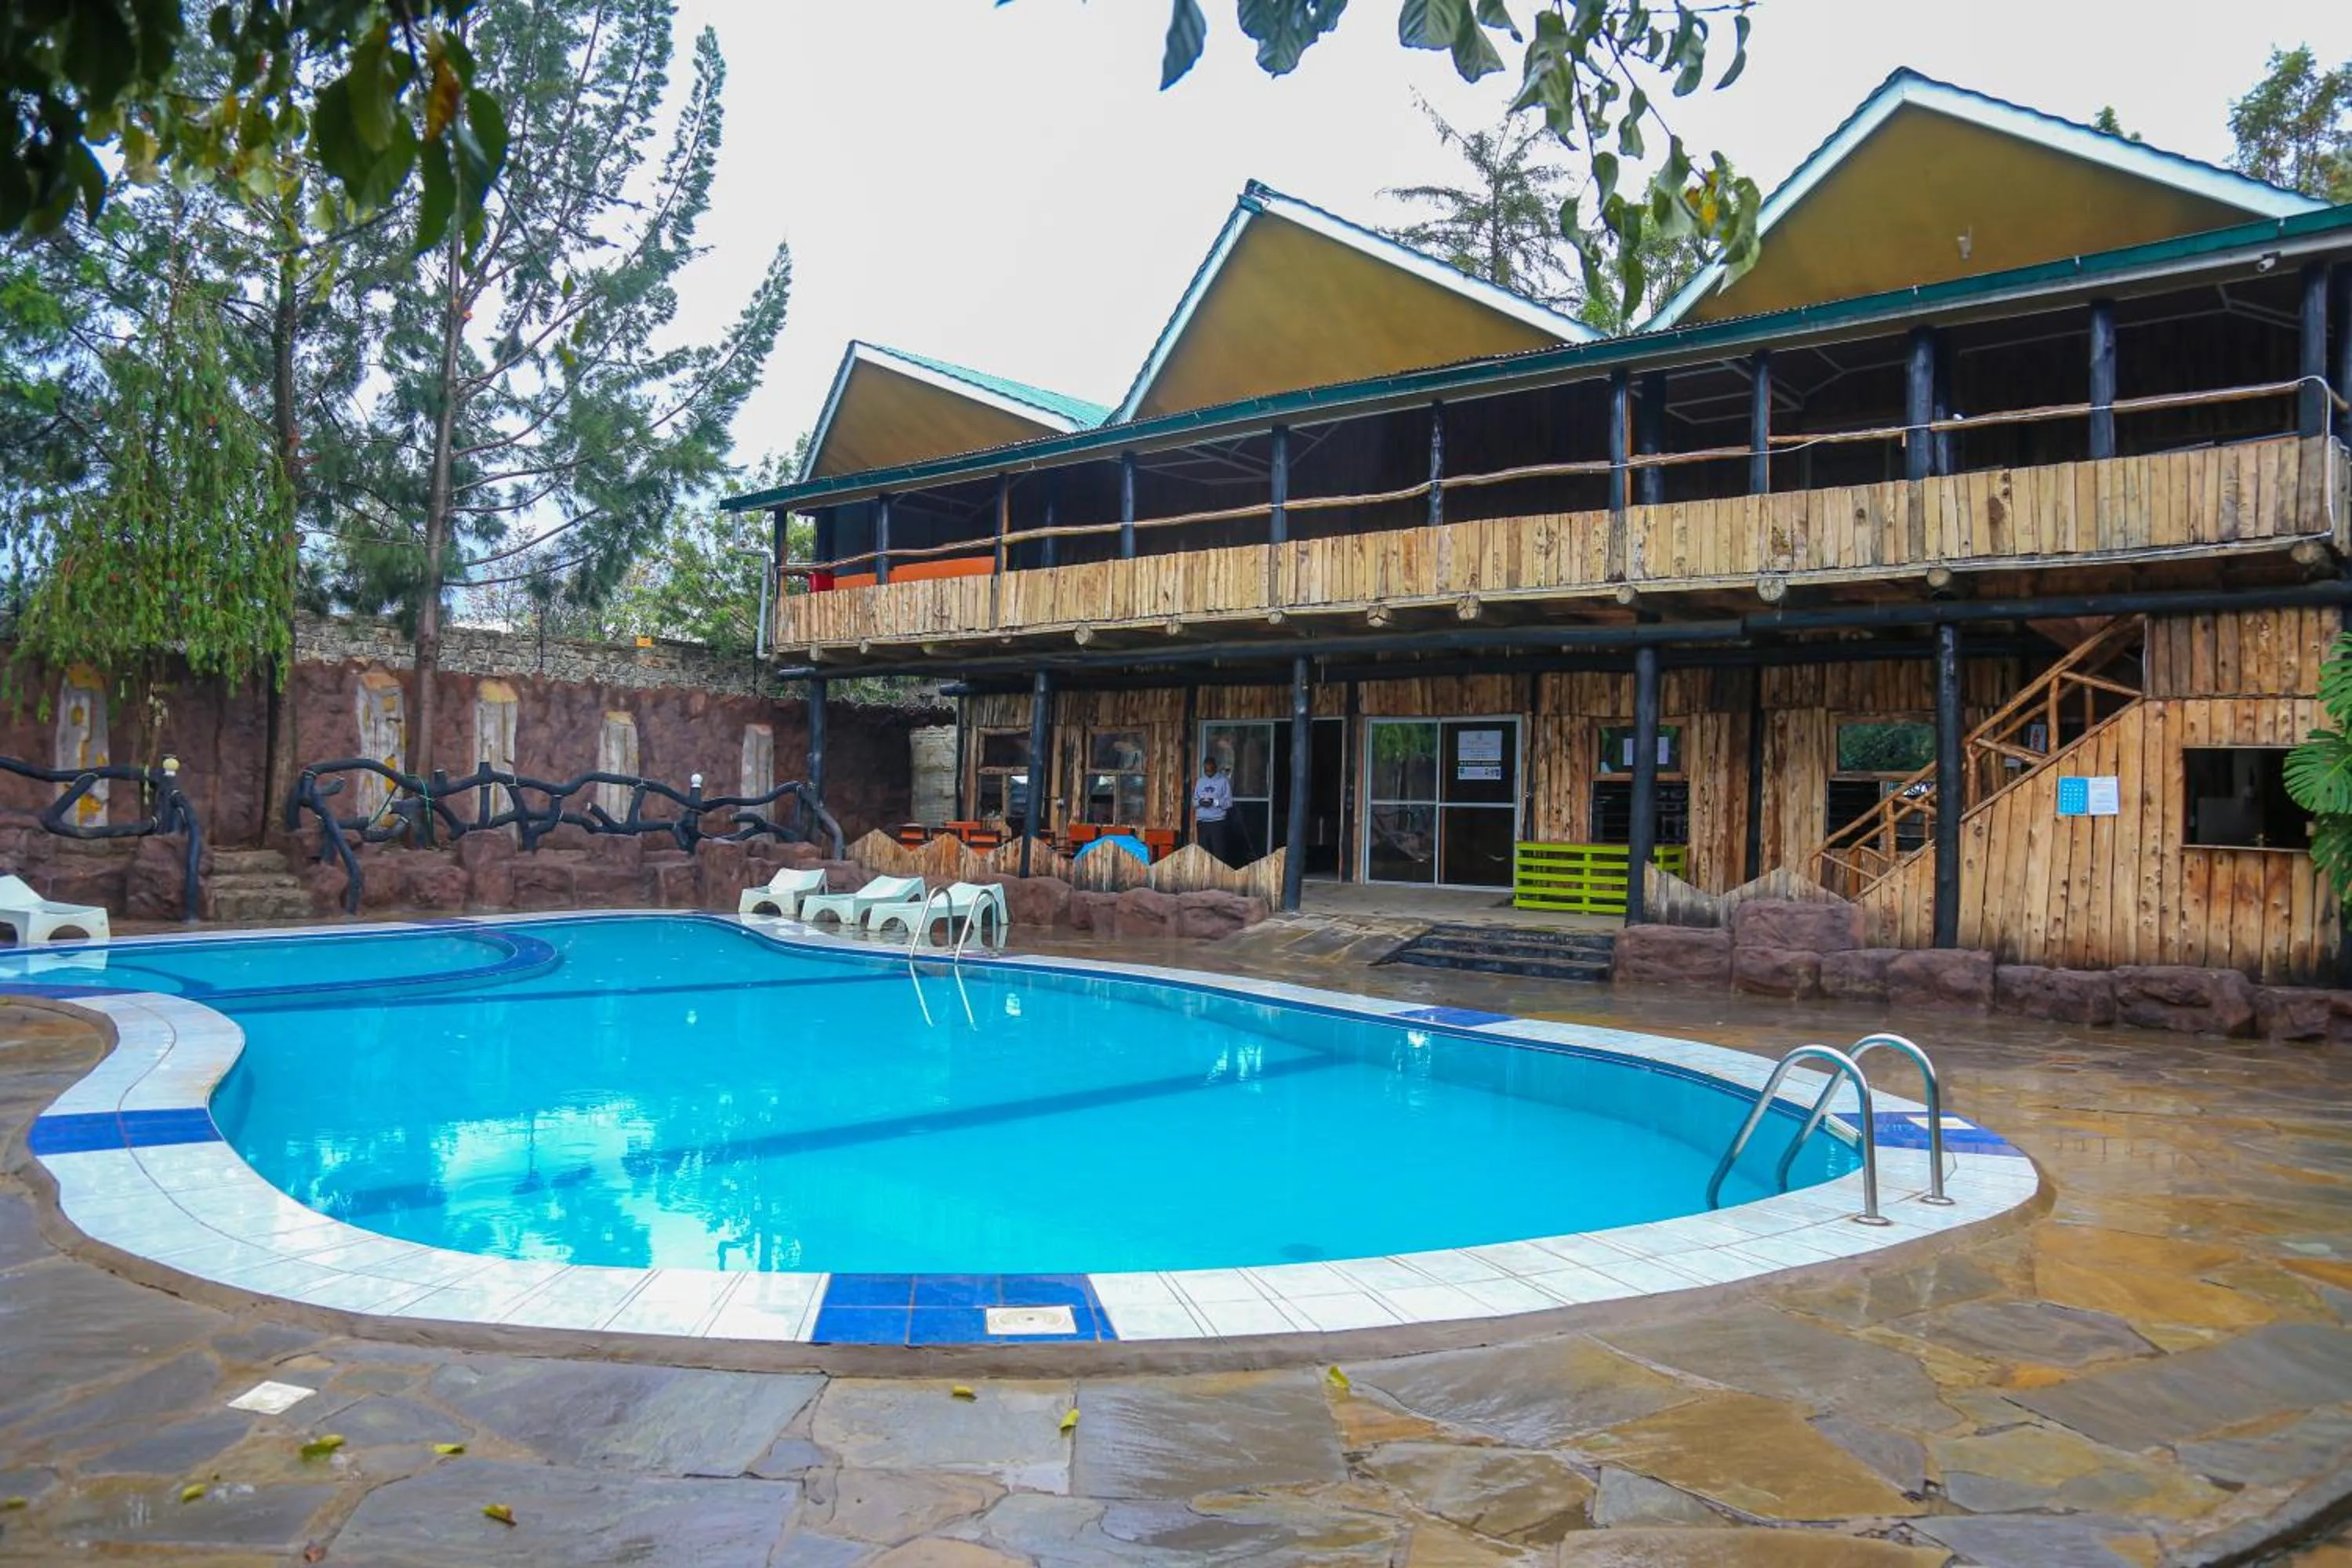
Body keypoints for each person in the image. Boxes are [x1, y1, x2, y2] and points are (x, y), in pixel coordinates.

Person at [1192, 753, 1235, 865]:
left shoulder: (1223, 781)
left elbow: (1229, 803)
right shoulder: (1200, 781)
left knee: (1219, 854)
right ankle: (1205, 879)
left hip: (1217, 822)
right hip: (1202, 822)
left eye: (1211, 770)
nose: (1208, 773)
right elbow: (1194, 801)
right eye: (1206, 771)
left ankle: (1220, 879)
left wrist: (1215, 802)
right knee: (1203, 854)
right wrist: (1200, 802)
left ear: (1215, 768)